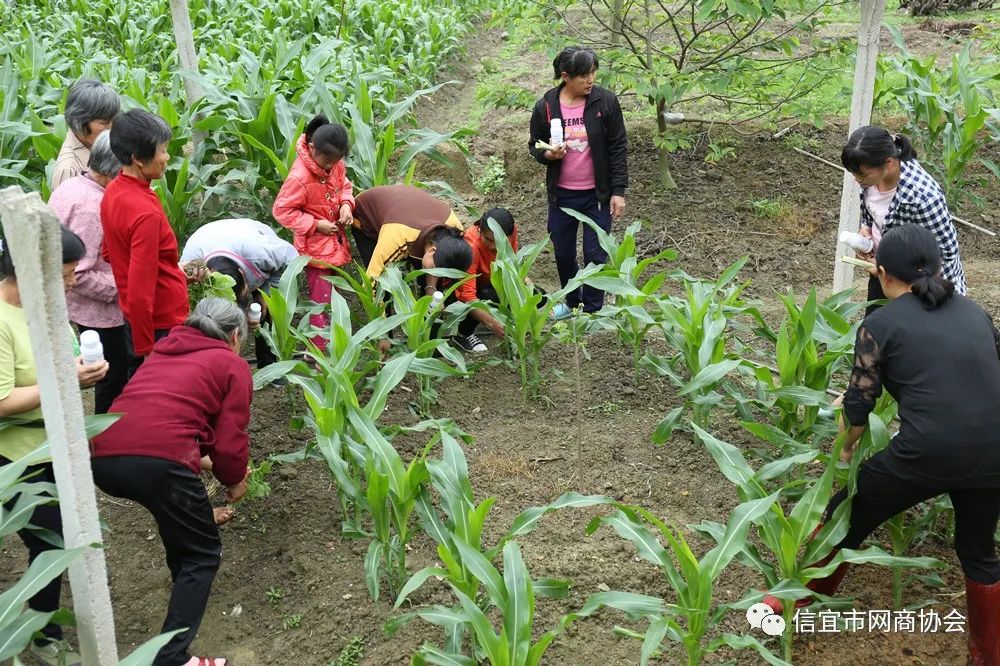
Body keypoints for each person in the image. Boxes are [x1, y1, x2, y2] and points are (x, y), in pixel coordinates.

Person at [762, 225, 1000, 664]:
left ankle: (787, 607)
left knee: (845, 513)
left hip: (928, 450)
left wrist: (847, 449)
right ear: (940, 267)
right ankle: (987, 656)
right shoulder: (975, 313)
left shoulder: (880, 324)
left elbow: (859, 404)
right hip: (994, 451)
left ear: (883, 274)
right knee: (978, 550)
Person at [91, 298, 253, 666]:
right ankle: (172, 658)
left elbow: (166, 417)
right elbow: (231, 439)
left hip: (104, 457)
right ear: (233, 336)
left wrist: (209, 463)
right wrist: (234, 478)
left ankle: (184, 587)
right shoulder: (231, 363)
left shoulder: (161, 355)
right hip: (161, 465)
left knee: (180, 527)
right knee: (202, 553)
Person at [0, 226, 108, 666]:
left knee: (59, 539)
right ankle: (43, 635)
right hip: (18, 460)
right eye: (64, 273)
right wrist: (63, 380)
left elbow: (58, 360)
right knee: (49, 543)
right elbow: (3, 401)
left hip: (53, 448)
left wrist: (81, 369)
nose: (72, 281)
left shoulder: (40, 305)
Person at [528, 46, 628, 320]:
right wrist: (548, 154)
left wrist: (618, 191)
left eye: (594, 72)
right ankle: (572, 302)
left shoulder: (605, 102)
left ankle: (594, 308)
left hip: (597, 195)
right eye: (584, 75)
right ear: (565, 76)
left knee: (596, 253)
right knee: (563, 252)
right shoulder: (546, 105)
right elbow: (534, 145)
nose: (591, 80)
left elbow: (618, 146)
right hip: (562, 196)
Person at [101, 109, 191, 376]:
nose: (167, 157)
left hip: (134, 317)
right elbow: (141, 292)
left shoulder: (113, 192)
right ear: (138, 159)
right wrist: (147, 349)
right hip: (160, 322)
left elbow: (109, 252)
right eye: (162, 150)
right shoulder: (145, 212)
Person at [841, 126, 966, 313]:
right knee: (877, 333)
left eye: (862, 174)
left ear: (889, 163)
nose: (856, 179)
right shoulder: (870, 179)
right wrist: (866, 229)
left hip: (919, 286)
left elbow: (946, 253)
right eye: (854, 173)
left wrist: (897, 273)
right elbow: (872, 213)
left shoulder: (923, 197)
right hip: (883, 275)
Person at [48, 130, 128, 413]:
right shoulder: (92, 208)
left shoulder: (72, 187)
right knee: (111, 371)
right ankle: (104, 436)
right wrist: (123, 287)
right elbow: (78, 273)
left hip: (78, 306)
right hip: (97, 311)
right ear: (116, 171)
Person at [350, 184, 477, 351]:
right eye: (437, 267)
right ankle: (386, 343)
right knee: (386, 284)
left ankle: (429, 343)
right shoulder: (397, 237)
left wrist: (432, 293)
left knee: (430, 280)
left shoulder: (455, 229)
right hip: (367, 216)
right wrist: (381, 331)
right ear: (432, 249)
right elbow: (372, 280)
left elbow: (433, 267)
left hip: (410, 215)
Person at [272, 114, 354, 352]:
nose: (331, 167)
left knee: (335, 294)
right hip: (314, 249)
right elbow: (282, 210)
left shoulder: (335, 165)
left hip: (335, 243)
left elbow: (344, 186)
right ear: (311, 147)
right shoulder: (300, 178)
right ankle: (319, 349)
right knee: (321, 300)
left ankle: (335, 339)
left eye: (335, 162)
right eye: (326, 161)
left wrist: (346, 205)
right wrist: (315, 225)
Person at [180, 218, 298, 369]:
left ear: (244, 275)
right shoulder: (193, 263)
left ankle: (269, 366)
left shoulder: (263, 252)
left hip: (250, 238)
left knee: (267, 310)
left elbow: (291, 259)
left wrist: (265, 294)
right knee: (211, 323)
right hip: (208, 238)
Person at [450, 207, 519, 350]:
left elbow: (511, 262)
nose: (494, 246)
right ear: (480, 230)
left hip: (492, 280)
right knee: (488, 295)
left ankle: (503, 320)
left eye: (499, 241)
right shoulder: (471, 247)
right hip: (465, 289)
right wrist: (492, 323)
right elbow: (467, 296)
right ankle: (464, 333)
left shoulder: (511, 232)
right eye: (488, 239)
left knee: (536, 294)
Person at [51, 78, 120, 190]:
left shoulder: (96, 147)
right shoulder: (69, 170)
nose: (112, 128)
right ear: (80, 123)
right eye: (105, 123)